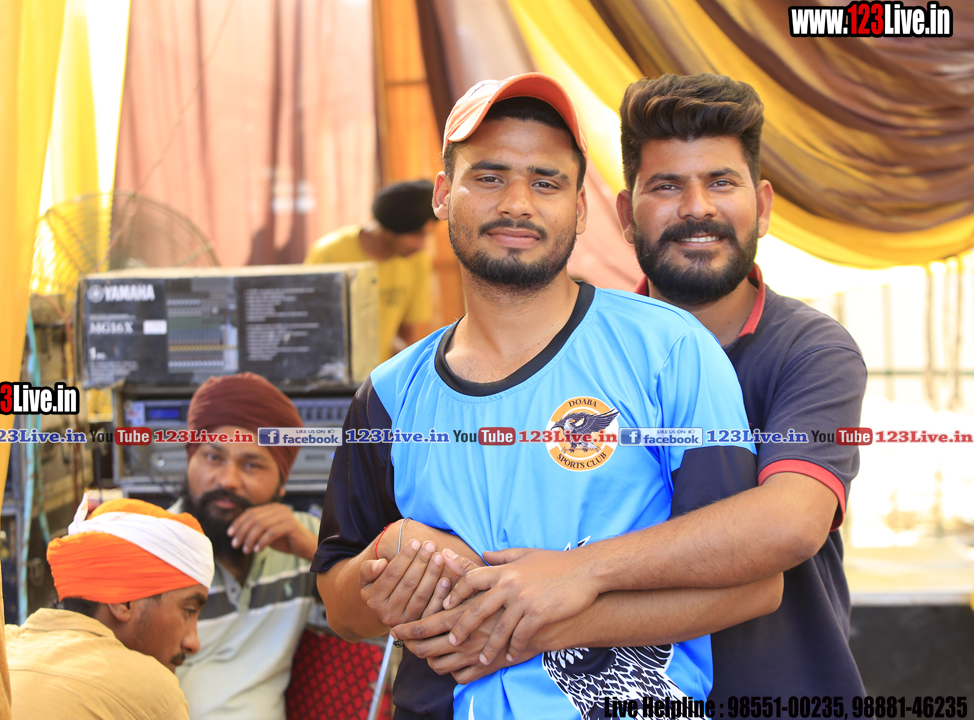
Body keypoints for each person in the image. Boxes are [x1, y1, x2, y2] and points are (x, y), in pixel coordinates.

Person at [314, 73, 781, 720]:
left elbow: (749, 582)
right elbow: (340, 603)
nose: (516, 204)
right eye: (489, 177)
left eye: (546, 182)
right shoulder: (390, 395)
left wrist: (542, 614)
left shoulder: (668, 350)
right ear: (444, 194)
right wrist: (390, 566)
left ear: (581, 210)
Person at [411, 73, 867, 703]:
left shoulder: (811, 350)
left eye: (721, 182)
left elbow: (790, 522)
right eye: (666, 186)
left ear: (762, 206)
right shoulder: (577, 354)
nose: (697, 208)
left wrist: (577, 575)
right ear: (624, 216)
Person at [171, 372, 319, 720]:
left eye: (251, 465)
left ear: (281, 483)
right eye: (213, 458)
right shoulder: (148, 547)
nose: (228, 480)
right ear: (190, 459)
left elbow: (388, 610)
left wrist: (311, 549)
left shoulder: (304, 537)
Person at [6, 497, 213, 720]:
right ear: (123, 602)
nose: (193, 643)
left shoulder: (0, 651)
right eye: (188, 610)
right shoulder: (148, 687)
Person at [305, 179, 438, 362]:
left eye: (426, 235)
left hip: (379, 373)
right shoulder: (329, 254)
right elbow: (310, 324)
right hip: (331, 368)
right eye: (416, 235)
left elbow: (410, 332)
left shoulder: (417, 260)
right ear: (392, 226)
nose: (421, 245)